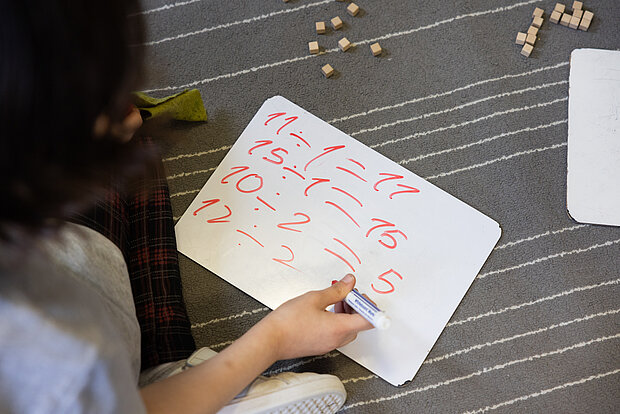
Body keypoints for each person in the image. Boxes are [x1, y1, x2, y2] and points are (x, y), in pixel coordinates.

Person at [0, 1, 373, 413]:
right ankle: (184, 382)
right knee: (129, 153)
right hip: (108, 386)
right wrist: (275, 338)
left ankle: (168, 371)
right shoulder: (69, 364)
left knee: (134, 143)